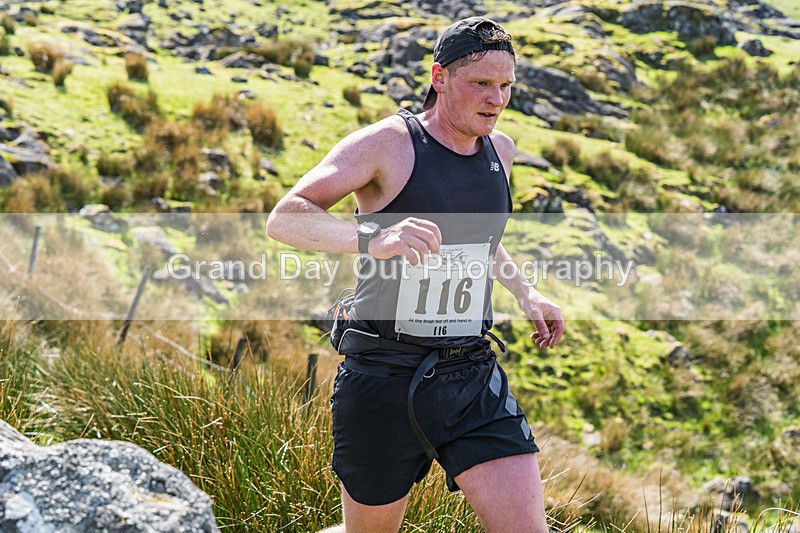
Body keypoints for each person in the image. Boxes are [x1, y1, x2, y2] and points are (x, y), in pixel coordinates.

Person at [266, 16, 564, 533]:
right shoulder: (388, 144)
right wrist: (372, 238)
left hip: (468, 371)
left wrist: (526, 292)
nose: (496, 99)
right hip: (384, 371)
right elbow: (286, 216)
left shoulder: (502, 151)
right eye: (481, 84)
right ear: (439, 77)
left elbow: (482, 243)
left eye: (506, 86)